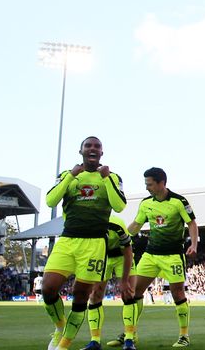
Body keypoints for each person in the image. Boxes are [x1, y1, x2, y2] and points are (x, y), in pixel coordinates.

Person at [42, 136, 127, 350]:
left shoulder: (113, 177)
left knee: (81, 296)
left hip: (95, 243)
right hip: (68, 240)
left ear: (102, 152)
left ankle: (63, 345)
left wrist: (106, 179)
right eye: (88, 145)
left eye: (97, 146)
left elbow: (119, 207)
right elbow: (51, 201)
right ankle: (60, 326)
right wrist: (71, 175)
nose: (92, 148)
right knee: (48, 288)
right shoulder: (67, 175)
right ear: (80, 151)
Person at [127, 167, 198, 349]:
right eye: (146, 184)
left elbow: (191, 223)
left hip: (173, 255)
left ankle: (184, 335)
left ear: (161, 183)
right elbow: (136, 224)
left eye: (149, 184)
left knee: (178, 294)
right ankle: (130, 333)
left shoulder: (178, 202)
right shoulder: (145, 203)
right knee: (134, 293)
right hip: (150, 255)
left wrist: (194, 244)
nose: (147, 188)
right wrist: (121, 238)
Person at [78, 214, 135, 350]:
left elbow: (128, 252)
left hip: (122, 256)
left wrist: (125, 280)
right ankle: (95, 341)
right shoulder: (85, 225)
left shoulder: (116, 224)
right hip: (102, 257)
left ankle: (129, 340)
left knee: (128, 294)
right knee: (94, 296)